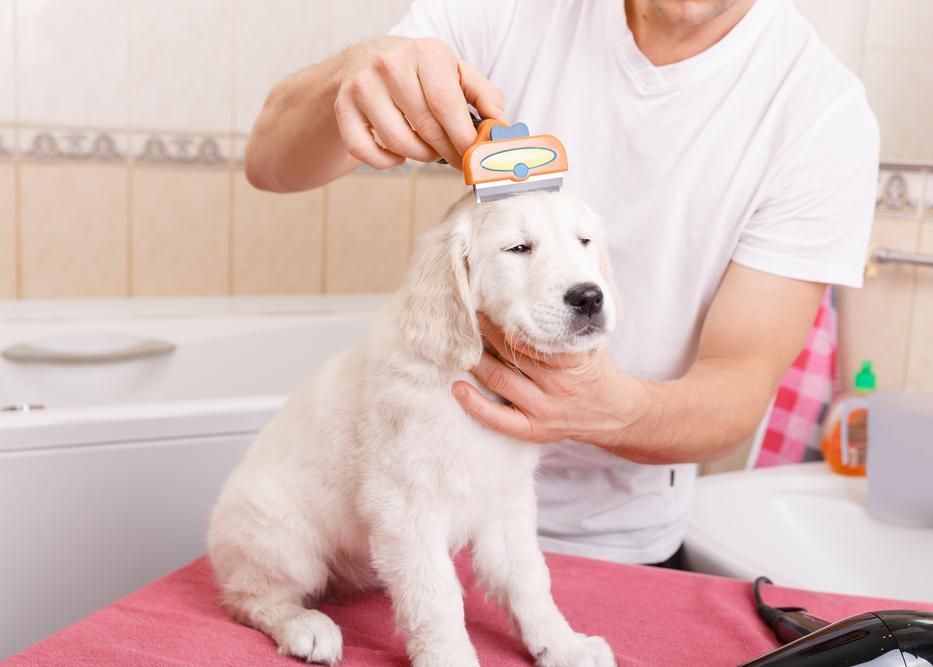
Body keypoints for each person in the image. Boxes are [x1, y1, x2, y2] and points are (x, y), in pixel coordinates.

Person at [244, 0, 879, 566]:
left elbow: (738, 382)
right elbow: (270, 162)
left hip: (607, 539)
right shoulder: (508, 10)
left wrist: (610, 413)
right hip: (413, 504)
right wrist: (356, 72)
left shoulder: (821, 113)